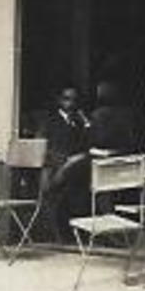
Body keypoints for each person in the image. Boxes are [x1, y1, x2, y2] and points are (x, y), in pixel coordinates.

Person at [37, 85, 91, 241]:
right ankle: (60, 235)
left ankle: (78, 233)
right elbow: (40, 146)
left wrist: (86, 123)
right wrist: (62, 160)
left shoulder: (78, 122)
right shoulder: (50, 120)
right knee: (58, 194)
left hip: (73, 171)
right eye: (67, 99)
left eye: (74, 100)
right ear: (59, 100)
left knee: (82, 191)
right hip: (54, 168)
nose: (71, 103)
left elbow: (87, 145)